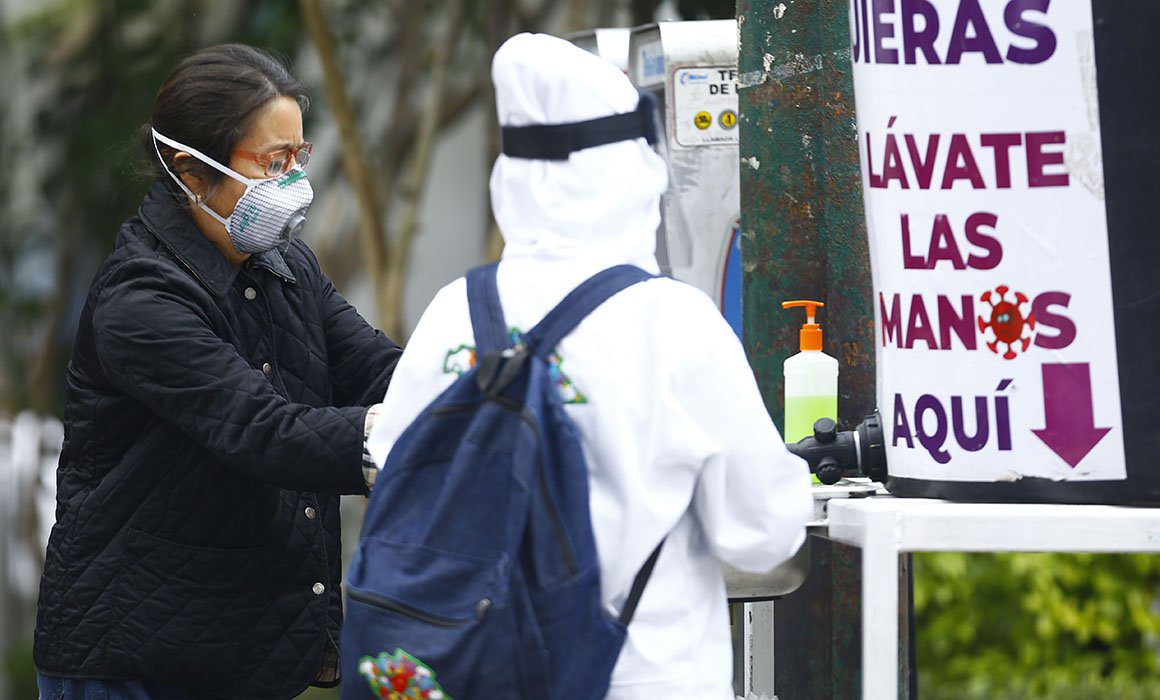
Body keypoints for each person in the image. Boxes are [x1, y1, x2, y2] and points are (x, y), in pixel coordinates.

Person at [365, 33, 813, 700]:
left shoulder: (452, 312)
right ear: (634, 169)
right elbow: (760, 534)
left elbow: (391, 467)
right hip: (637, 677)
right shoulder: (675, 322)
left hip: (467, 670)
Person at [33, 44, 402, 700]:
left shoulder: (285, 266)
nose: (292, 182)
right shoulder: (140, 297)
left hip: (235, 650)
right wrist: (391, 439)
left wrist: (473, 382)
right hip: (133, 661)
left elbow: (375, 368)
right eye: (272, 162)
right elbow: (261, 430)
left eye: (297, 159)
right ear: (191, 172)